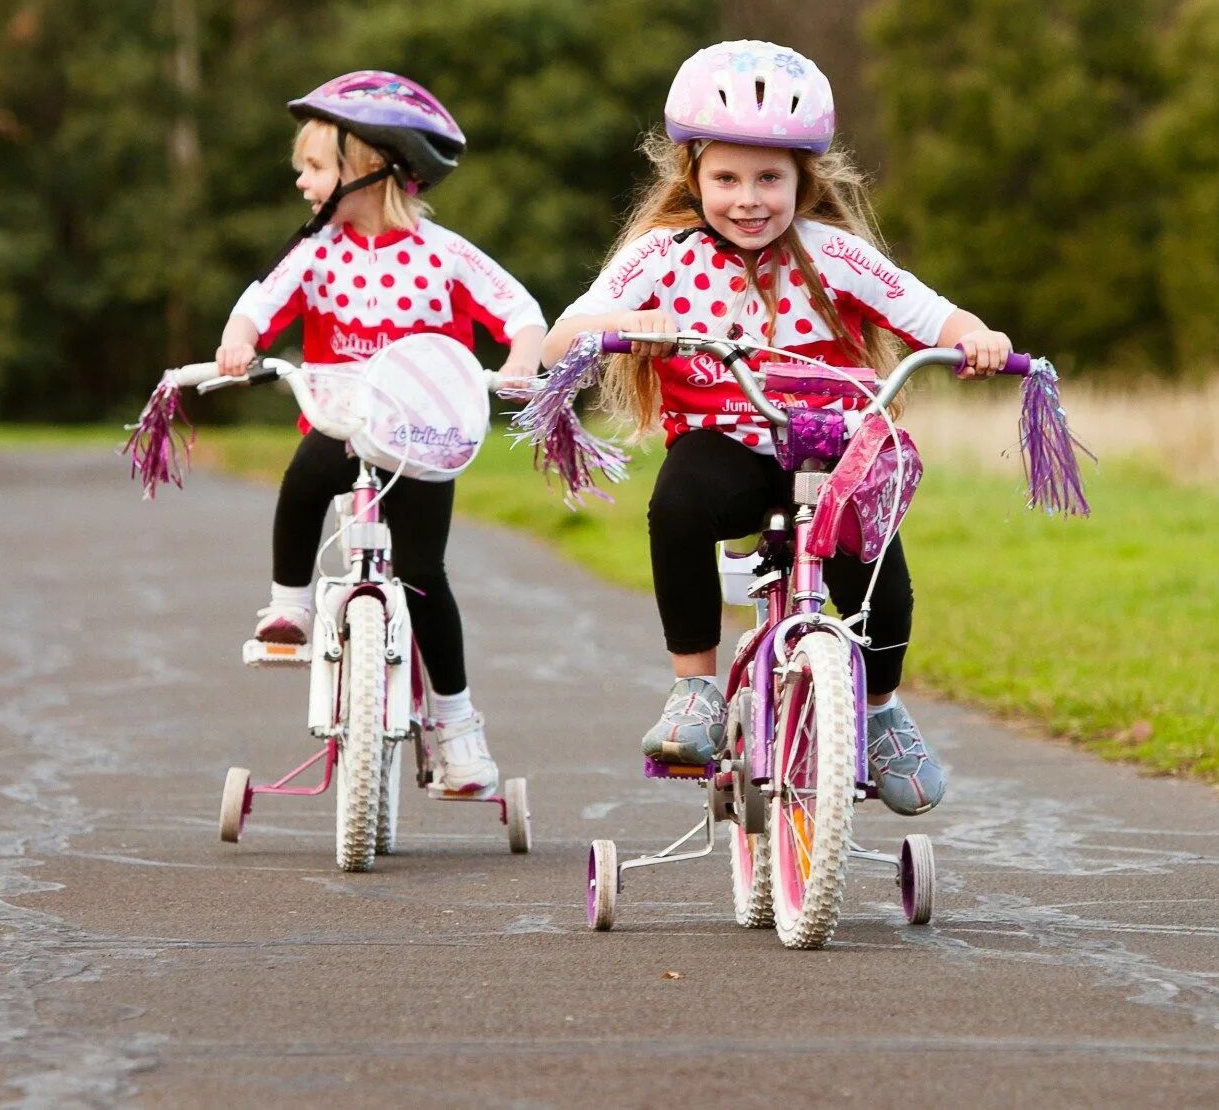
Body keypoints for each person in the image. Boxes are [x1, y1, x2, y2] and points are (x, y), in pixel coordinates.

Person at [542, 40, 1013, 816]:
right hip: (723, 448)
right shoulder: (663, 256)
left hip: (831, 453)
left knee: (882, 582)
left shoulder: (836, 255)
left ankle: (880, 712)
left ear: (804, 180)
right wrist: (629, 320)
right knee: (680, 504)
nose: (748, 198)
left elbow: (935, 314)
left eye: (770, 178)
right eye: (726, 178)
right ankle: (694, 690)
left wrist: (977, 337)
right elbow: (565, 336)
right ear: (692, 176)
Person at [216, 71, 544, 794]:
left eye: (315, 165)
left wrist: (521, 358)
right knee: (305, 479)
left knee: (425, 575)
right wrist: (239, 342)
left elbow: (518, 310)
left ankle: (457, 731)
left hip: (424, 435)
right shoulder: (314, 252)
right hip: (342, 418)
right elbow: (258, 303)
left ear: (368, 168)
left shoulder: (444, 254)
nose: (301, 179)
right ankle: (291, 606)